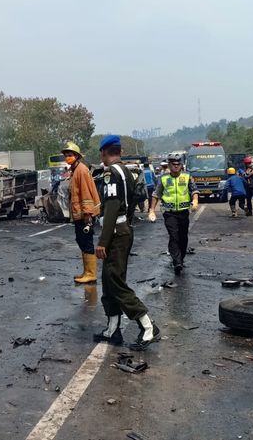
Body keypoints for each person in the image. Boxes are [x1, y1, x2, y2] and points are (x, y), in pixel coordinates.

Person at [93, 135, 160, 350]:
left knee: (115, 282)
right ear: (119, 151)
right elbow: (133, 202)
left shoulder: (111, 173)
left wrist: (103, 240)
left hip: (115, 233)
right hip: (123, 229)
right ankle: (112, 328)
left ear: (104, 152)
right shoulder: (128, 172)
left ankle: (147, 326)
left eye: (101, 153)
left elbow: (112, 206)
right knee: (108, 281)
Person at [148, 154, 200, 275]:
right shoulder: (164, 178)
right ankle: (176, 262)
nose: (176, 166)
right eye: (173, 164)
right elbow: (156, 194)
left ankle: (180, 259)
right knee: (173, 235)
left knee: (183, 237)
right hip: (169, 213)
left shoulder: (187, 177)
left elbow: (194, 190)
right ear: (169, 165)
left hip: (183, 212)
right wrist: (151, 210)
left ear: (181, 165)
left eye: (178, 164)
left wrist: (195, 200)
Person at [61, 142, 101, 284]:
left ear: (77, 156)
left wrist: (88, 214)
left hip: (85, 215)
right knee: (81, 240)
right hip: (79, 214)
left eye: (70, 155)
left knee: (86, 242)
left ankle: (91, 273)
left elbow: (86, 194)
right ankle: (87, 271)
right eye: (66, 155)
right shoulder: (75, 170)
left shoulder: (81, 171)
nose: (67, 158)